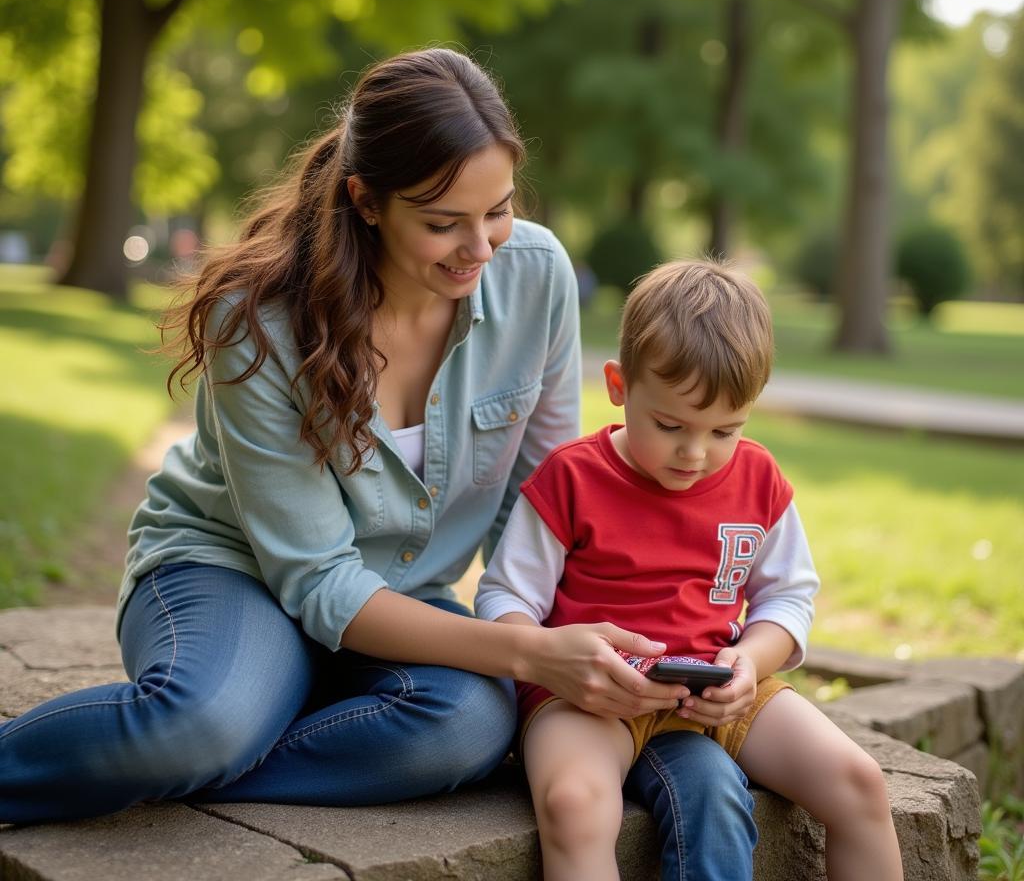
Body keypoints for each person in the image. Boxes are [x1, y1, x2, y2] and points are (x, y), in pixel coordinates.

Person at [0, 49, 755, 881]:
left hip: (403, 596)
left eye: (498, 210)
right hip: (232, 570)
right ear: (365, 200)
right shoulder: (258, 320)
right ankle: (203, 741)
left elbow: (538, 505)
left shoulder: (535, 277)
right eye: (442, 222)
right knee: (202, 724)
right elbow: (318, 580)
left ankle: (234, 746)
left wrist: (560, 647)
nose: (480, 249)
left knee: (467, 725)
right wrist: (529, 657)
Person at [477, 258, 904, 881]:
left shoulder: (758, 480)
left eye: (725, 430)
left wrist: (750, 663)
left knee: (860, 782)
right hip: (591, 697)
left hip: (717, 688)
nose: (696, 453)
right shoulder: (571, 478)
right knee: (574, 806)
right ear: (620, 386)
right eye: (670, 425)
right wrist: (551, 656)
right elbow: (505, 597)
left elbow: (788, 598)